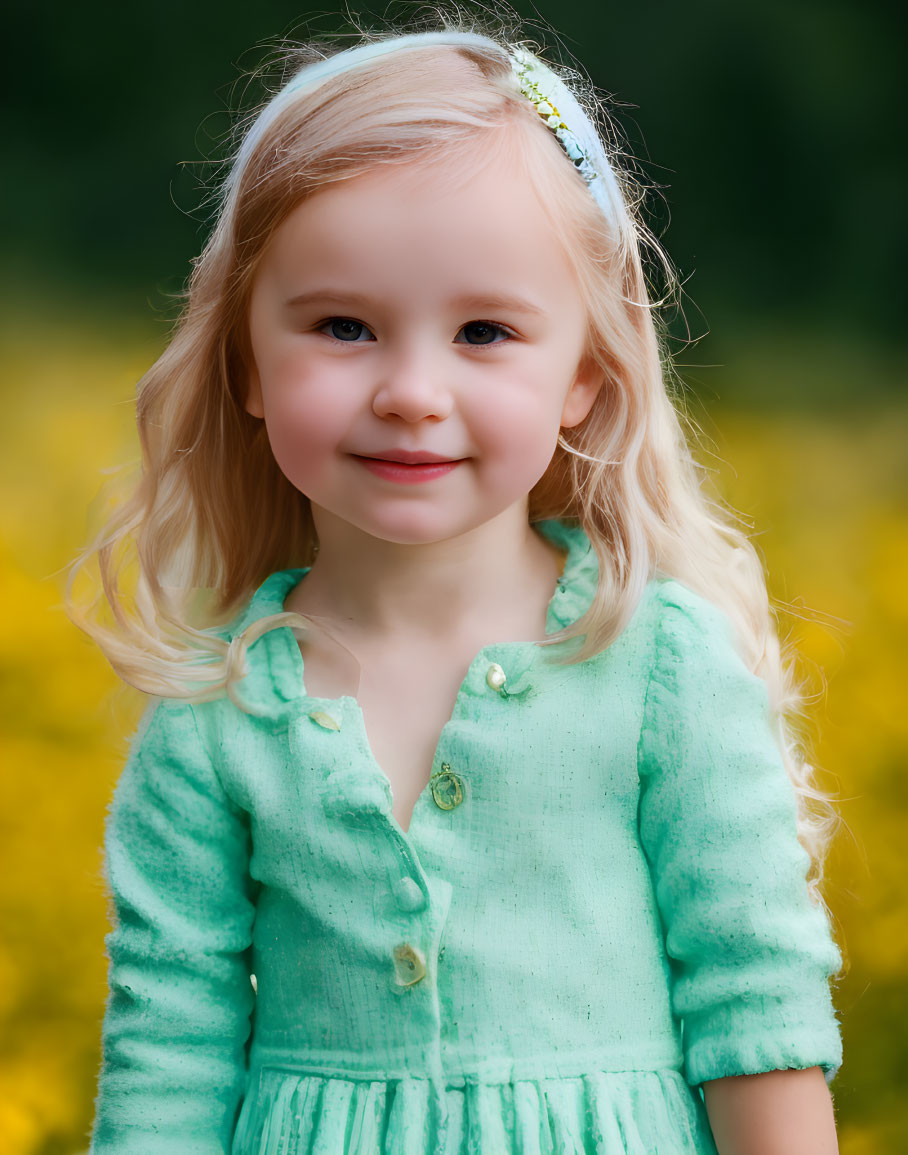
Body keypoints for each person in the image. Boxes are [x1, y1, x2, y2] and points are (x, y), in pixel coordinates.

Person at [70, 12, 845, 1154]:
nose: (412, 391)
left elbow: (754, 1004)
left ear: (582, 375)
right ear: (243, 362)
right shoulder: (213, 715)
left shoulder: (659, 667)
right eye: (344, 326)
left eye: (483, 332)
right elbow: (166, 1056)